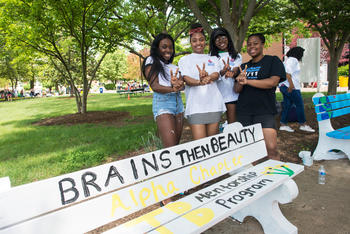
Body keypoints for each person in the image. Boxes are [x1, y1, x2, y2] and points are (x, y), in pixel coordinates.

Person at [142, 33, 185, 205]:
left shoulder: (173, 66)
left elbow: (180, 84)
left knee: (175, 148)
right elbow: (155, 86)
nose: (168, 50)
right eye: (164, 46)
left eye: (170, 47)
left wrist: (180, 84)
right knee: (169, 150)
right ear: (157, 48)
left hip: (178, 104)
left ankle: (171, 185)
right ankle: (165, 196)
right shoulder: (151, 61)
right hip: (163, 103)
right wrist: (173, 88)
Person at [234, 33, 286, 161]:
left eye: (255, 43)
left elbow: (272, 82)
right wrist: (240, 81)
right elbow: (236, 89)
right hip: (244, 112)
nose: (252, 46)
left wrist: (248, 81)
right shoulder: (243, 67)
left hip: (265, 111)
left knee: (271, 149)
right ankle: (254, 179)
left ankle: (276, 179)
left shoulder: (273, 61)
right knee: (250, 152)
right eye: (249, 44)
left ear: (262, 44)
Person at [178, 23, 226, 140]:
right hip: (196, 107)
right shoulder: (184, 60)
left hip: (214, 105)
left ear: (205, 41)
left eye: (201, 40)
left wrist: (208, 77)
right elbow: (186, 79)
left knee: (212, 144)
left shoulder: (214, 58)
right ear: (190, 43)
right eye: (194, 40)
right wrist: (199, 82)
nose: (198, 43)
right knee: (201, 145)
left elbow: (216, 73)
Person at [209, 28, 242, 124]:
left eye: (223, 37)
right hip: (215, 95)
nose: (221, 41)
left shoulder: (236, 55)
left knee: (232, 124)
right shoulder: (210, 57)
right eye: (217, 39)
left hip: (232, 95)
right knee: (214, 125)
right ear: (213, 42)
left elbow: (236, 70)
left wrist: (231, 72)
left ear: (228, 38)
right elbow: (212, 73)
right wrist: (222, 71)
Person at [279, 46, 315, 133]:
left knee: (287, 105)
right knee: (299, 104)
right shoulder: (293, 60)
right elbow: (288, 73)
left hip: (284, 86)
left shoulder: (288, 60)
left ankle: (283, 124)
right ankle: (303, 124)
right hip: (291, 87)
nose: (302, 56)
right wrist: (291, 86)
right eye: (302, 54)